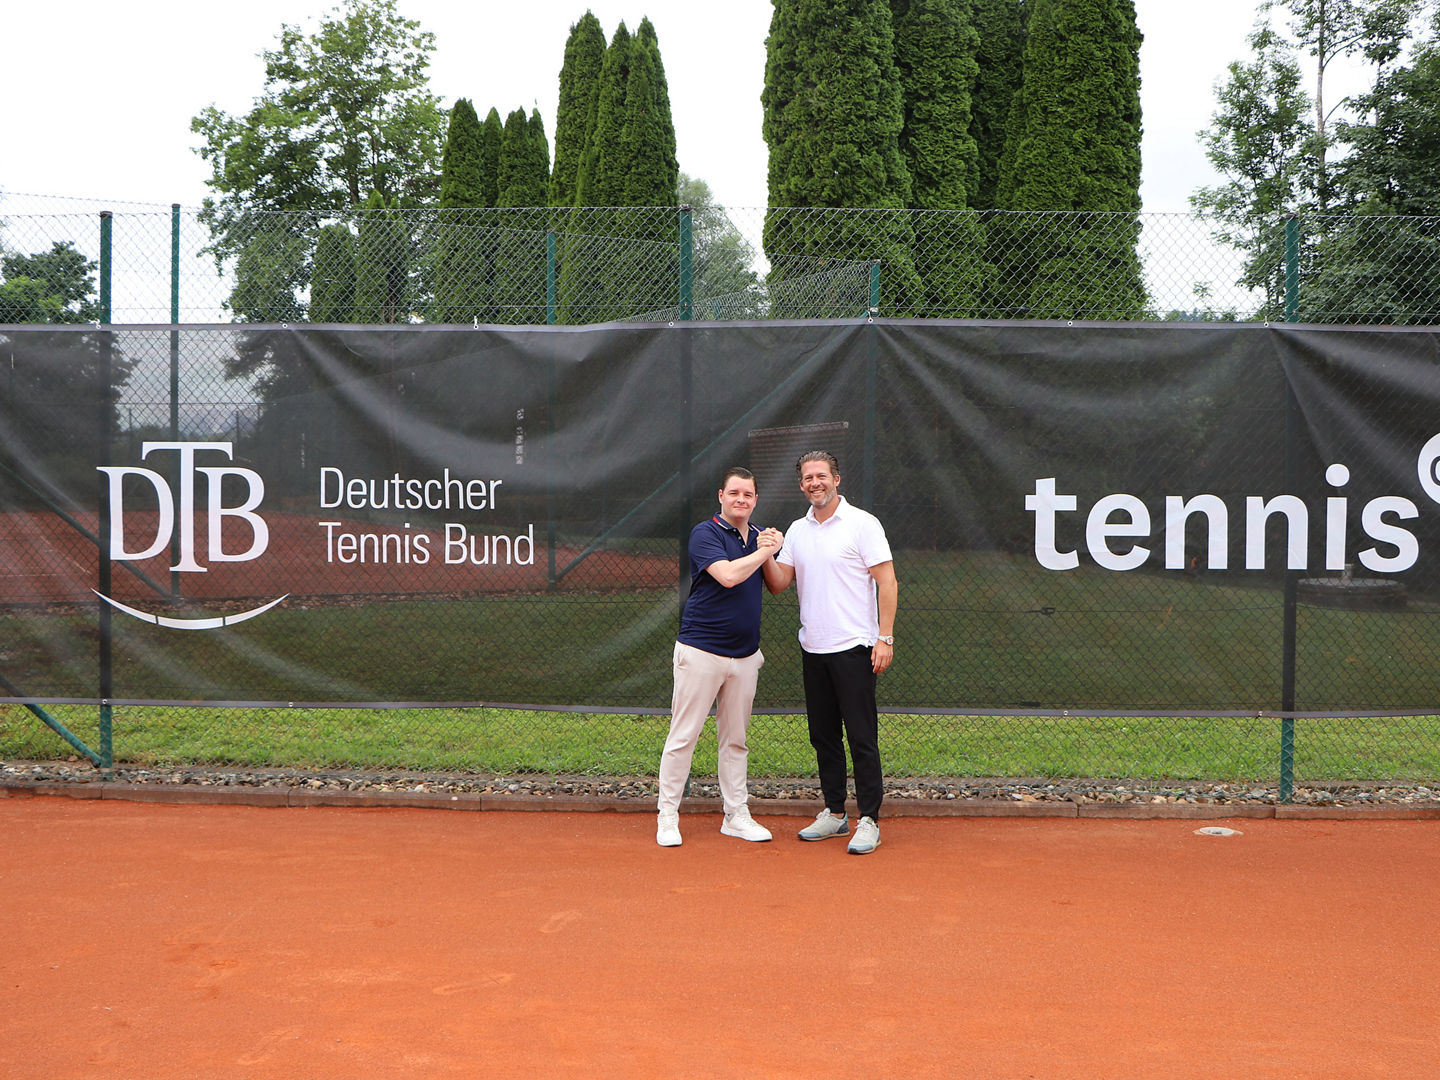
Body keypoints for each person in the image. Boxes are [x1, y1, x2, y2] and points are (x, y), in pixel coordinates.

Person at [767, 451, 897, 855]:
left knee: (861, 736)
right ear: (802, 484)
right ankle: (835, 813)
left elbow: (888, 582)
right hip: (814, 649)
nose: (814, 483)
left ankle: (869, 819)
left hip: (856, 649)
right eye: (807, 478)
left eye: (821, 476)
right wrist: (766, 552)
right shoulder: (797, 530)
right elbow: (778, 583)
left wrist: (884, 637)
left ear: (836, 479)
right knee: (823, 736)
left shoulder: (863, 524)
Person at [656, 467, 786, 847]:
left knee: (735, 741)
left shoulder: (759, 537)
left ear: (755, 499)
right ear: (721, 496)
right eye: (734, 493)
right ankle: (667, 816)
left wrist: (770, 552)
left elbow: (777, 585)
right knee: (684, 736)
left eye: (747, 495)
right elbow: (728, 576)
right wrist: (763, 551)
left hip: (745, 657)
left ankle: (736, 815)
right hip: (700, 652)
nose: (740, 500)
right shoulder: (706, 533)